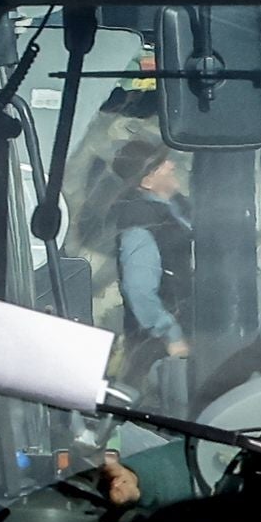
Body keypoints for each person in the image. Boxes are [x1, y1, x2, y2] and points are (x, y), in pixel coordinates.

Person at [73, 127, 191, 388]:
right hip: (162, 350)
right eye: (162, 164)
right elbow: (138, 289)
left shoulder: (178, 208)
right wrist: (171, 335)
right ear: (147, 181)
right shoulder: (140, 226)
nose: (172, 164)